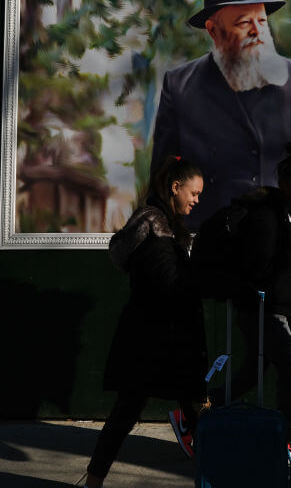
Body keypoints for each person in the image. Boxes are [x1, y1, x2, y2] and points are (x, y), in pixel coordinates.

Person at [171, 143, 291, 466]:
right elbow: (259, 266)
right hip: (262, 309)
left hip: (261, 306)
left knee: (252, 372)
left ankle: (192, 413)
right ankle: (284, 440)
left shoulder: (280, 213)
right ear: (284, 183)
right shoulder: (269, 215)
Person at [150, 0, 291, 234]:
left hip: (278, 240)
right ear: (214, 31)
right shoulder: (179, 86)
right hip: (206, 243)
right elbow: (162, 178)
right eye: (245, 23)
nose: (257, 31)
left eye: (262, 21)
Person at [84, 156, 209, 487]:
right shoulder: (157, 231)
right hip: (158, 341)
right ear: (175, 187)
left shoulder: (164, 227)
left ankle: (93, 482)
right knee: (136, 413)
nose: (197, 200)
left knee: (131, 413)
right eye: (193, 193)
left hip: (155, 339)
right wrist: (204, 280)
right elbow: (171, 285)